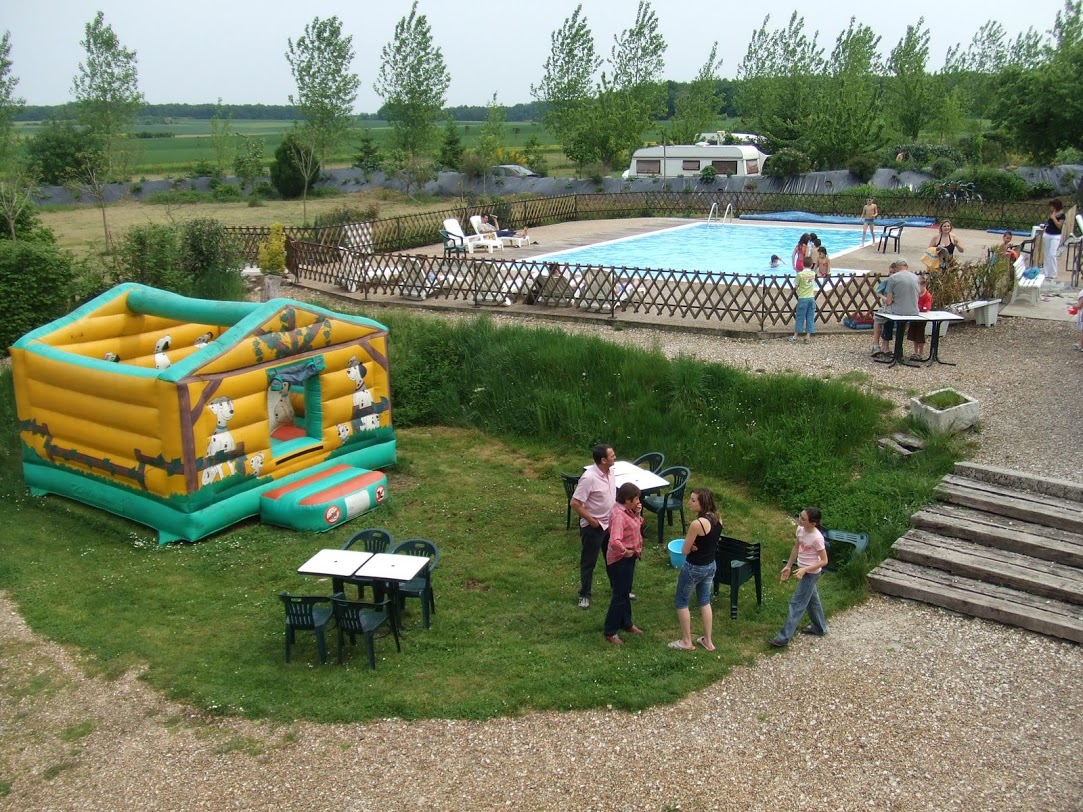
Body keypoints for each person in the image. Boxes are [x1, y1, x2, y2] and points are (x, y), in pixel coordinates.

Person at [669, 487, 722, 652]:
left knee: (681, 601)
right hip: (710, 565)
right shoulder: (718, 518)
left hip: (694, 568)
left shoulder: (697, 524)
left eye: (693, 500)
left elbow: (684, 550)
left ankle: (686, 641)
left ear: (702, 503)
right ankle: (708, 641)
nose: (689, 502)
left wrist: (691, 547)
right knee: (704, 601)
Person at [769, 508, 829, 647]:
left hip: (811, 573)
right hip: (802, 570)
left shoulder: (817, 538)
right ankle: (820, 628)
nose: (799, 520)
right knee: (813, 601)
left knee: (796, 604)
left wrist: (805, 569)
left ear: (813, 523)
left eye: (803, 519)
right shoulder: (800, 530)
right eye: (800, 516)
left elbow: (824, 561)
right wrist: (789, 566)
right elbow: (796, 548)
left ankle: (782, 638)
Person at [570, 444, 616, 610]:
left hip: (609, 524)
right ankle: (584, 595)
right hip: (594, 527)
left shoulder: (611, 472)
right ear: (603, 460)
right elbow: (575, 503)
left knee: (612, 559)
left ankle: (617, 590)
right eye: (612, 456)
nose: (615, 457)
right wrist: (591, 520)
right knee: (589, 561)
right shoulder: (589, 478)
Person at [603, 483, 644, 645]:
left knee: (625, 592)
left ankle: (626, 623)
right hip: (621, 561)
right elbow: (614, 540)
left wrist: (637, 513)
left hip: (629, 559)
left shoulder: (627, 511)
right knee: (620, 595)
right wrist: (625, 552)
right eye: (636, 499)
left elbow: (637, 525)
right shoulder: (619, 515)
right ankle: (610, 630)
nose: (638, 501)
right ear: (627, 500)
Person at [875, 258, 920, 357]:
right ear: (906, 267)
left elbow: (889, 301)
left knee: (879, 317)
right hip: (914, 311)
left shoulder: (893, 278)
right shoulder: (915, 277)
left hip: (898, 311)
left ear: (897, 267)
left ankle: (876, 345)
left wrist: (886, 299)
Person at [790, 256, 817, 345]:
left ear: (802, 264)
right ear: (811, 265)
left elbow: (796, 285)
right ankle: (808, 336)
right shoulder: (813, 274)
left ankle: (795, 336)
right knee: (810, 317)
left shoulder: (800, 275)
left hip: (803, 298)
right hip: (811, 297)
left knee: (800, 317)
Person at [908, 276, 933, 361]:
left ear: (924, 285)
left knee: (920, 335)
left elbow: (927, 307)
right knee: (913, 335)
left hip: (922, 317)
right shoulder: (916, 294)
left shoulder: (927, 295)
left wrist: (919, 307)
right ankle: (915, 351)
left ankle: (921, 352)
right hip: (914, 316)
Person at [1041, 199, 1066, 283]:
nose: (1050, 207)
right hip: (1047, 234)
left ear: (1055, 206)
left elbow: (1059, 226)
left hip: (1055, 236)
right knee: (1046, 254)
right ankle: (1046, 272)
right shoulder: (1052, 213)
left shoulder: (1062, 215)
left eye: (1051, 206)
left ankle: (1053, 273)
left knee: (1052, 254)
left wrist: (1054, 218)